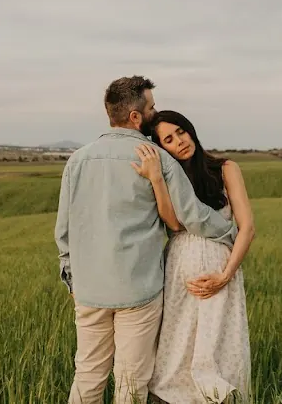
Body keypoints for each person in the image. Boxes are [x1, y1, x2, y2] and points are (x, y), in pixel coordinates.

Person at [55, 76, 238, 404]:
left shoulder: (77, 161)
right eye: (151, 107)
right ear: (135, 116)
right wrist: (230, 233)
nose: (155, 112)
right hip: (138, 292)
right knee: (132, 382)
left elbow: (64, 230)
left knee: (88, 375)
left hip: (89, 290)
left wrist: (71, 280)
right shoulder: (157, 158)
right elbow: (192, 215)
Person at [136, 110, 255, 404]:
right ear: (162, 148)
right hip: (179, 272)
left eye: (181, 131)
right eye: (168, 139)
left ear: (190, 130)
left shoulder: (225, 168)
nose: (179, 141)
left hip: (221, 270)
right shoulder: (169, 177)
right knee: (177, 344)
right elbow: (174, 224)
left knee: (219, 344)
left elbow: (247, 228)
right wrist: (156, 179)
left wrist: (226, 275)